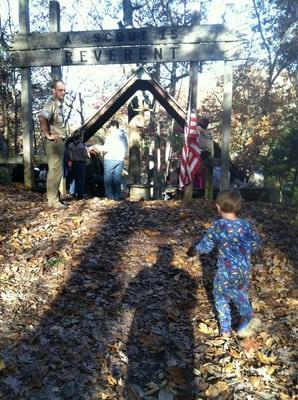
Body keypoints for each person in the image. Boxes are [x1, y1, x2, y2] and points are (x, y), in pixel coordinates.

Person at [189, 189, 261, 338]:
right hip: (244, 270)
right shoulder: (246, 225)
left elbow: (206, 246)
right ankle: (247, 317)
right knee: (240, 293)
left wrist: (195, 250)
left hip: (226, 272)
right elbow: (256, 243)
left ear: (217, 207)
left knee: (221, 297)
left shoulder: (218, 226)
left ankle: (226, 330)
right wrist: (245, 251)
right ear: (239, 207)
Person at [39, 80, 68, 209]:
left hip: (60, 141)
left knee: (58, 171)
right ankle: (53, 200)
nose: (63, 92)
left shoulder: (58, 105)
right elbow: (42, 118)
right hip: (54, 142)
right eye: (60, 90)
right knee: (55, 170)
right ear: (54, 91)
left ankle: (55, 199)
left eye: (64, 90)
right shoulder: (50, 104)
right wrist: (48, 135)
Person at [93, 119, 128, 200]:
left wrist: (97, 147)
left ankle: (110, 196)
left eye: (110, 127)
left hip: (110, 159)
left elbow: (106, 148)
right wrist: (123, 156)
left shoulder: (111, 136)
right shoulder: (123, 136)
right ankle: (117, 196)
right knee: (117, 178)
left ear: (114, 126)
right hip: (120, 159)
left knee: (108, 178)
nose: (109, 129)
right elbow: (126, 148)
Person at [68, 131, 91, 200]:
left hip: (74, 163)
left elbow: (70, 156)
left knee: (74, 179)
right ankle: (80, 195)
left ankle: (74, 193)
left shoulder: (70, 145)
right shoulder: (83, 145)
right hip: (81, 164)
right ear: (80, 137)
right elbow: (87, 156)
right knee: (81, 180)